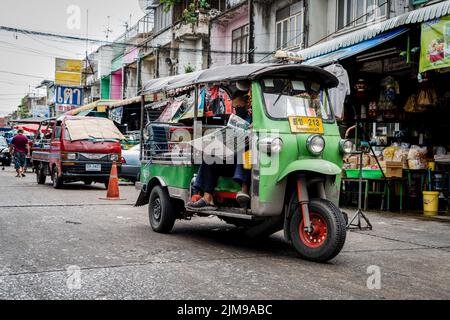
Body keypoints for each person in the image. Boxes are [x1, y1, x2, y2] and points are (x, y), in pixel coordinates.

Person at [187, 88, 252, 211]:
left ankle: (244, 189)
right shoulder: (233, 120)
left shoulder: (254, 118)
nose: (237, 108)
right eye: (235, 106)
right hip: (231, 159)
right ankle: (207, 197)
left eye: (239, 105)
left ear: (246, 104)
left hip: (246, 162)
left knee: (243, 149)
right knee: (209, 156)